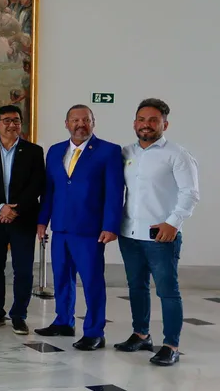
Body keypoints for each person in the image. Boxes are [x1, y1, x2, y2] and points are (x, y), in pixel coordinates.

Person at [114, 99, 199, 366]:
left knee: (167, 291)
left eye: (153, 120)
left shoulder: (177, 154)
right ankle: (141, 334)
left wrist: (172, 223)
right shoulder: (126, 152)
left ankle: (171, 345)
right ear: (134, 123)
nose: (146, 125)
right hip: (130, 234)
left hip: (161, 236)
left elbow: (190, 193)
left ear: (165, 124)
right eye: (141, 119)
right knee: (136, 287)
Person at [35, 105, 124, 351]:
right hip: (61, 227)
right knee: (62, 278)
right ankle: (63, 321)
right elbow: (49, 191)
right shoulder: (54, 152)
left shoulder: (108, 151)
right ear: (66, 124)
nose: (80, 124)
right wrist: (43, 220)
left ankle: (95, 332)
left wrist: (110, 225)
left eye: (86, 119)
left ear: (93, 123)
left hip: (90, 231)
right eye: (75, 120)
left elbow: (115, 193)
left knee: (92, 282)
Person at [0, 105, 45, 334]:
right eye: (6, 120)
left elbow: (36, 184)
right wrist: (0, 208)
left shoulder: (33, 151)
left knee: (23, 270)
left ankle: (19, 315)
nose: (11, 124)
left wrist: (14, 210)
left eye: (16, 120)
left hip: (22, 219)